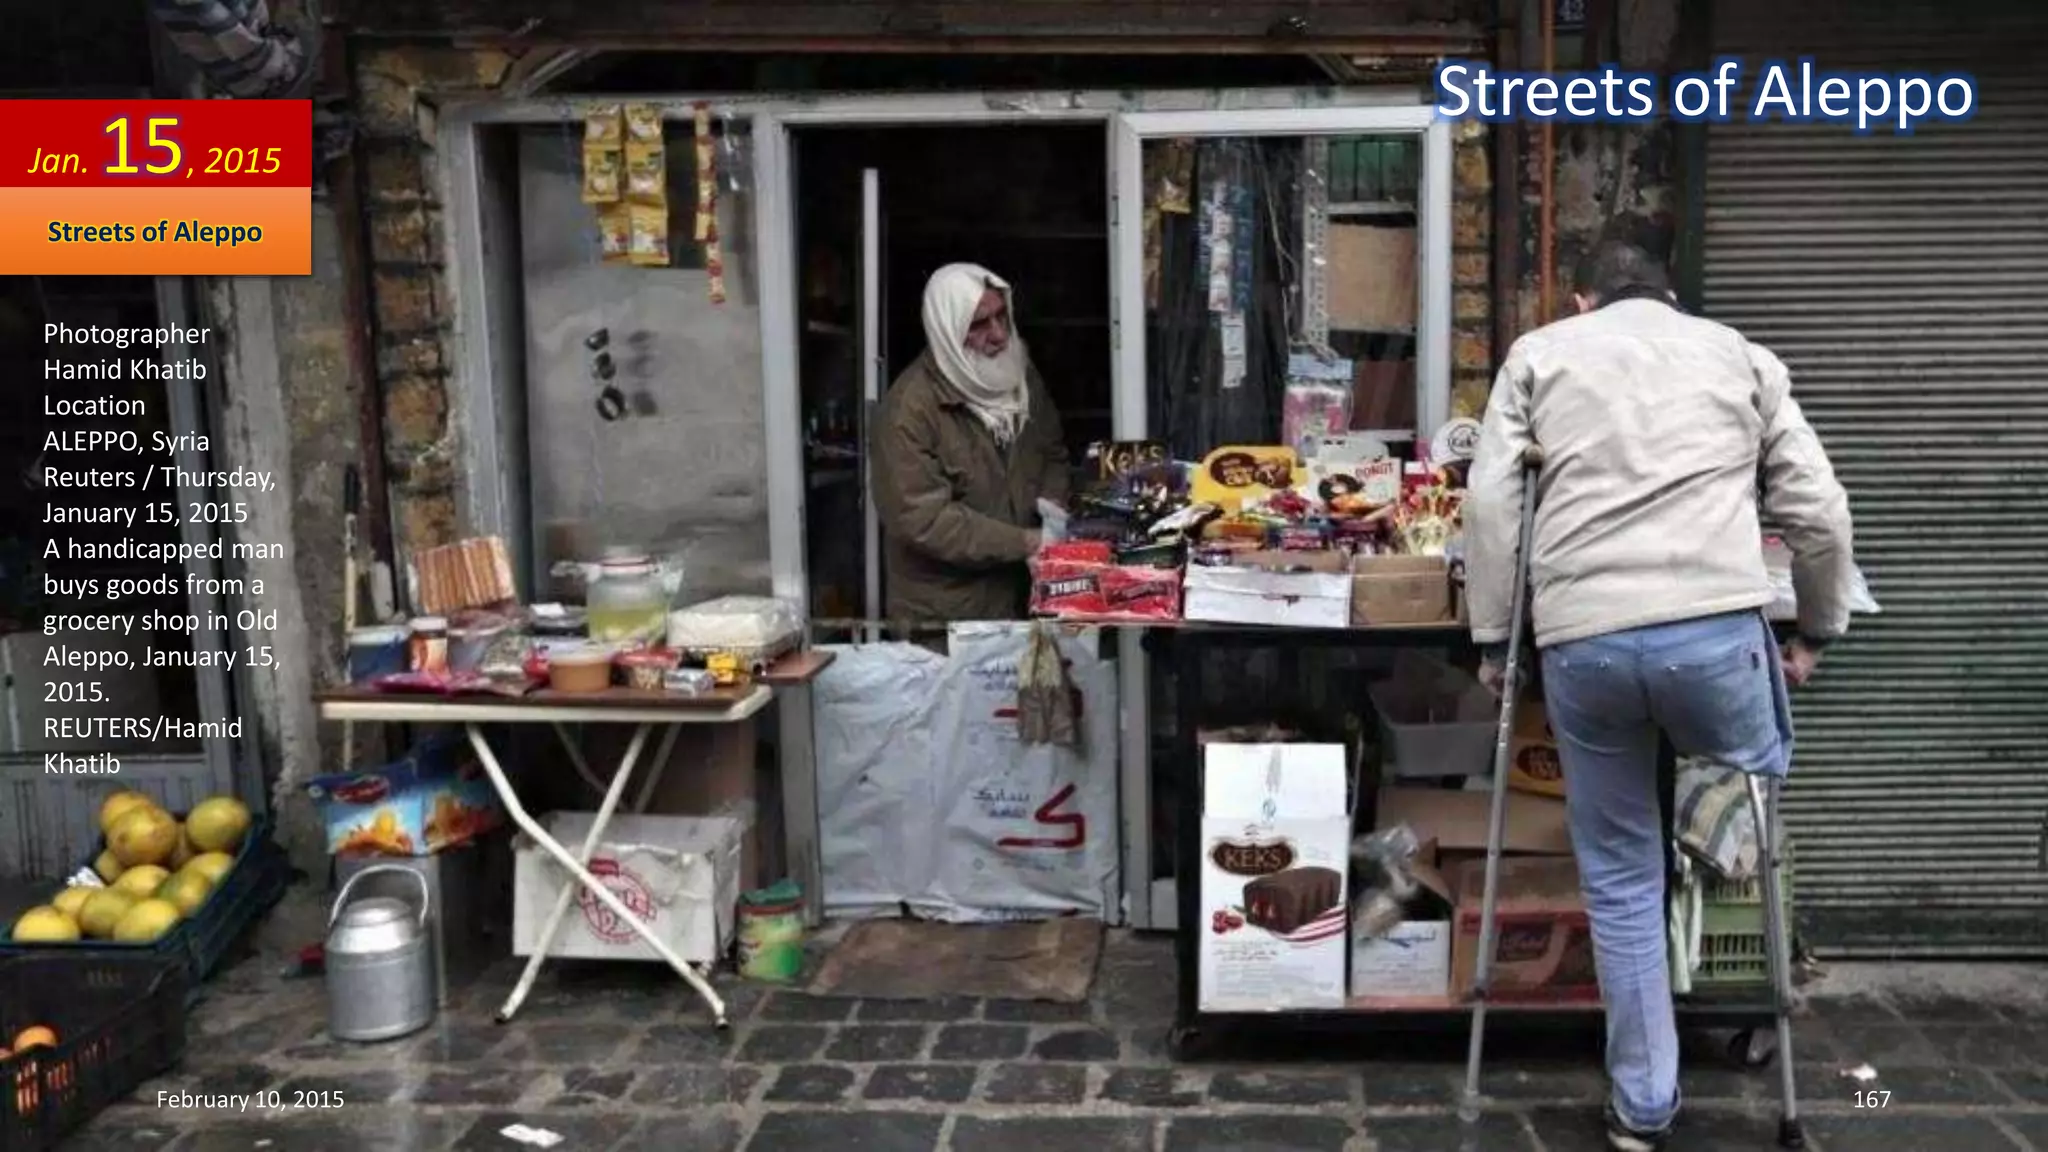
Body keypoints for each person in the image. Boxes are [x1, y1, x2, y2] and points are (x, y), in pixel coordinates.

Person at [1462, 237, 1856, 1151]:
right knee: (1754, 806)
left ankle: (1644, 1105)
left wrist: (1492, 640)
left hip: (1587, 645)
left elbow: (1491, 508)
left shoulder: (1542, 355)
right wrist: (1815, 634)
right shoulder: (1740, 355)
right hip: (1716, 643)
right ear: (1672, 294)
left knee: (1620, 874)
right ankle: (1747, 958)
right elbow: (1820, 512)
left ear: (1580, 298)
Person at [872, 263, 1069, 628]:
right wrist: (1026, 542)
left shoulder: (1019, 375)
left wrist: (1052, 516)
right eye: (978, 325)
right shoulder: (909, 411)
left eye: (1001, 316)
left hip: (1025, 598)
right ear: (947, 330)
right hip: (948, 617)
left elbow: (1053, 452)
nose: (998, 335)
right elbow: (924, 520)